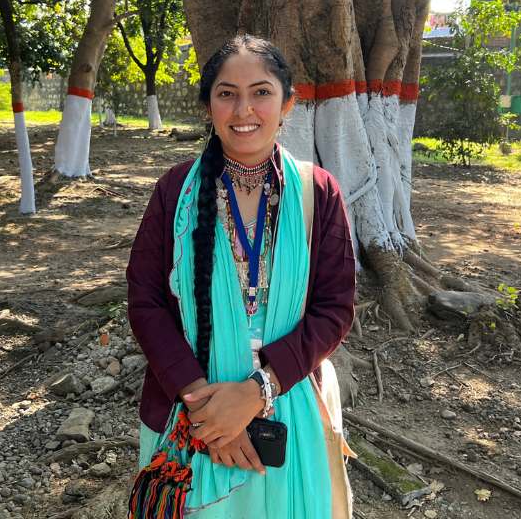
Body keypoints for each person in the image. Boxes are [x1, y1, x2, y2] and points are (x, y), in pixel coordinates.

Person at [126, 35, 356, 518]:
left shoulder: (318, 193)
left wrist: (257, 393)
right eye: (226, 93)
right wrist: (205, 412)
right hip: (189, 411)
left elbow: (334, 310)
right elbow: (146, 300)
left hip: (286, 404)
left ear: (288, 102)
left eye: (261, 92)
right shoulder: (175, 192)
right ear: (208, 105)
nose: (243, 109)